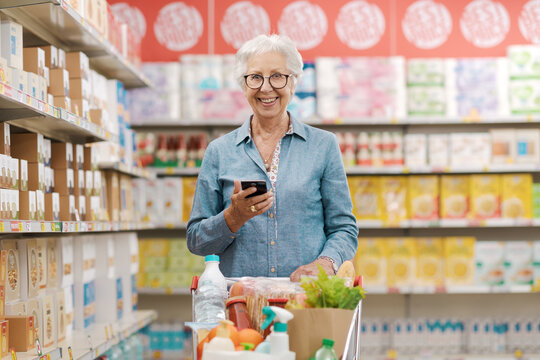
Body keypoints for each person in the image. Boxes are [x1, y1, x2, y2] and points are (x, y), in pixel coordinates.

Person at [187, 34, 358, 281]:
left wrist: (326, 262)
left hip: (305, 300)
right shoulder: (219, 151)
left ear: (294, 82)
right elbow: (195, 241)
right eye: (255, 77)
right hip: (240, 304)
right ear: (243, 85)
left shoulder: (323, 146)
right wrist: (233, 217)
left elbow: (344, 228)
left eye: (277, 76)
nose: (266, 88)